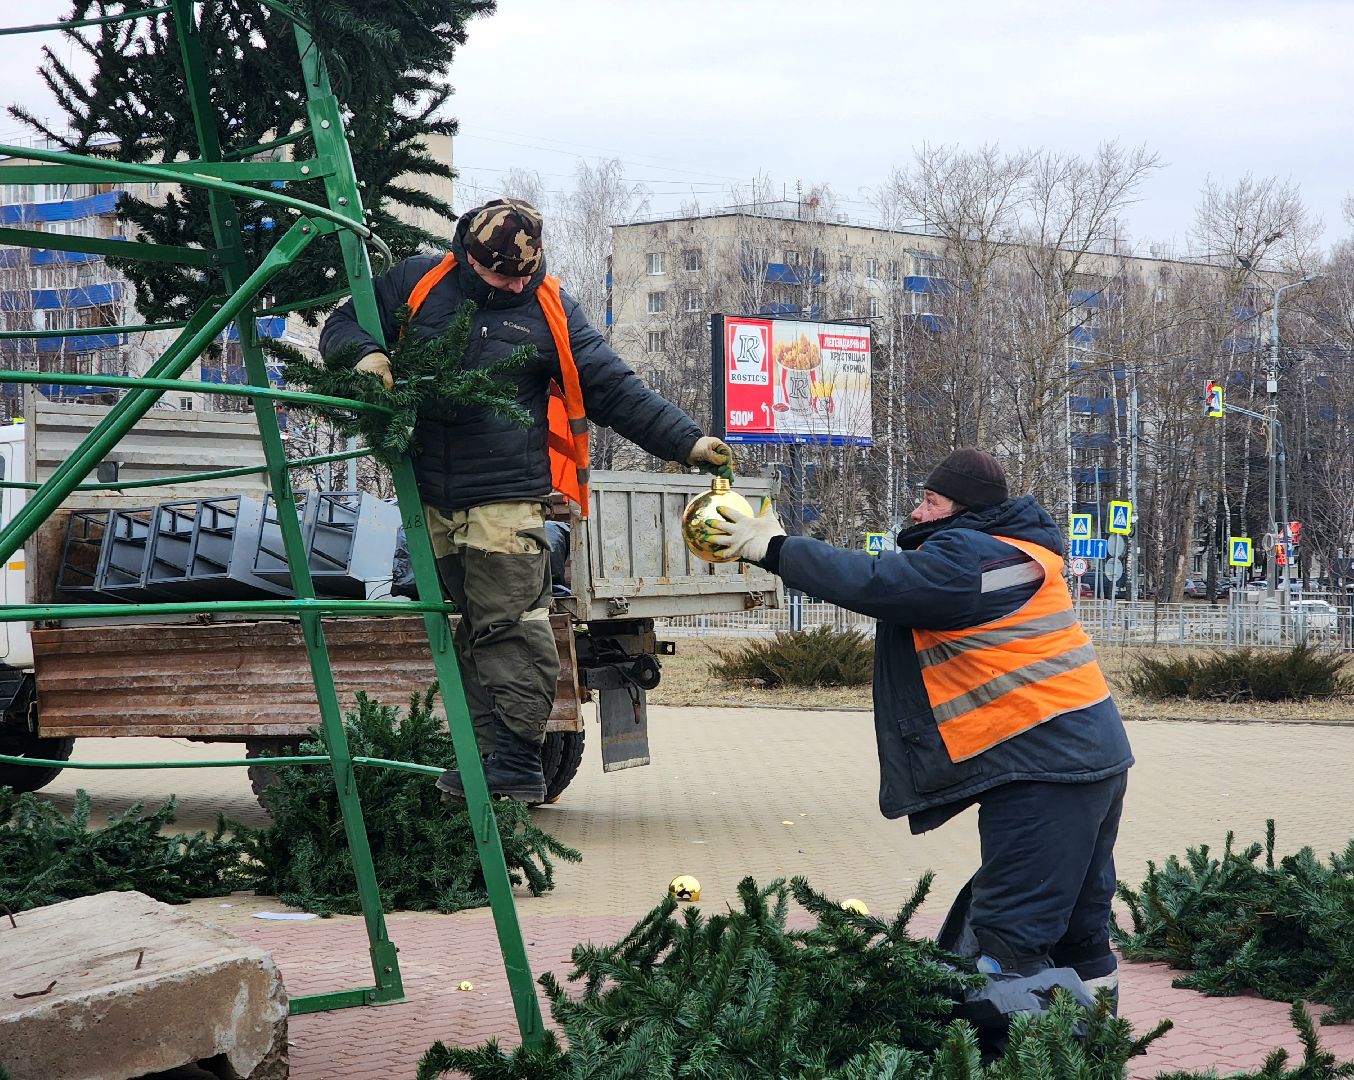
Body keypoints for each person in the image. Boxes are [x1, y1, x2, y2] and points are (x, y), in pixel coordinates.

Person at [322, 197, 730, 803]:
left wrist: (687, 441)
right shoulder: (417, 282)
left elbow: (615, 388)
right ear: (469, 256)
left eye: (525, 273)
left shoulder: (552, 309)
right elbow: (342, 323)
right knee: (474, 632)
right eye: (501, 275)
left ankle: (517, 757)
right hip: (429, 496)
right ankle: (491, 756)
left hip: (507, 497)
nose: (515, 285)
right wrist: (366, 354)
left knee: (512, 623)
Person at [709, 448, 1133, 996]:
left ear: (965, 509)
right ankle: (1097, 1034)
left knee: (1012, 940)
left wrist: (776, 549)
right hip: (1086, 756)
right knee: (1080, 932)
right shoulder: (1017, 550)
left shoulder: (971, 558)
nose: (916, 512)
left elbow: (876, 581)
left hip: (1045, 768)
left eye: (930, 501)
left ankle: (1021, 1041)